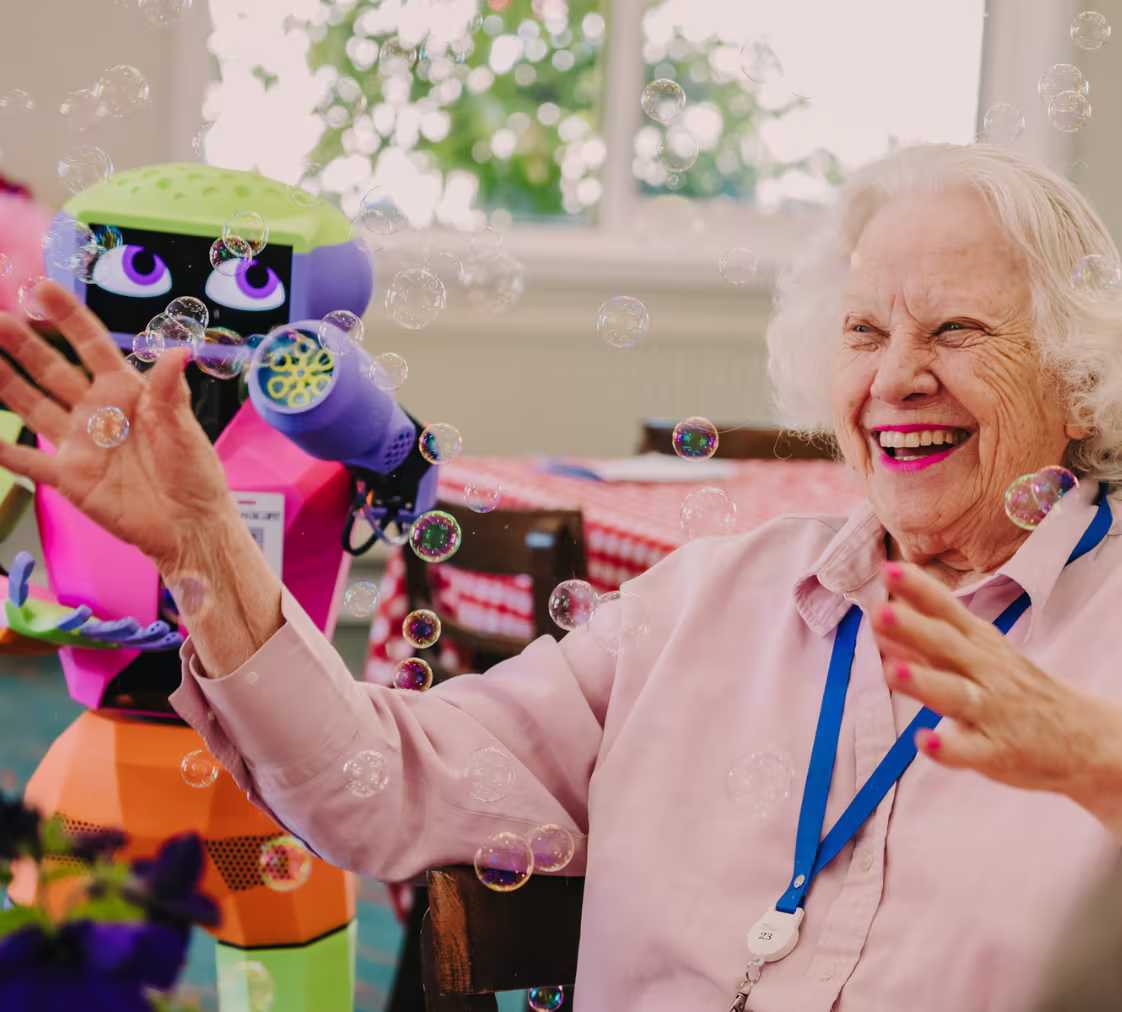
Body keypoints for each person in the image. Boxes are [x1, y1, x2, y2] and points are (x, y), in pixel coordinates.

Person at [3, 142, 1122, 1011]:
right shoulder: (706, 606)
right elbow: (378, 780)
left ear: (1078, 377)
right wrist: (204, 552)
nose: (897, 377)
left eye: (960, 330)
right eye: (865, 330)